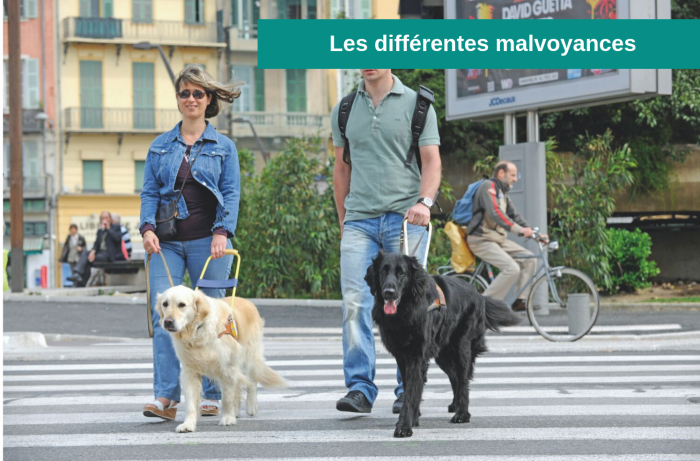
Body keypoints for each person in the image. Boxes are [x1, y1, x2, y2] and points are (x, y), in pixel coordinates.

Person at [331, 69, 441, 415]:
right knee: (354, 303)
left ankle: (406, 387)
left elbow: (431, 160)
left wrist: (424, 202)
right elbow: (341, 168)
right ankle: (360, 389)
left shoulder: (418, 104)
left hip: (405, 219)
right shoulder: (346, 108)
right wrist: (343, 220)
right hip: (359, 222)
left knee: (409, 305)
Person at [139, 64, 241, 420]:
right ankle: (166, 396)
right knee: (165, 318)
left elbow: (231, 193)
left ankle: (212, 394)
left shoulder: (224, 147)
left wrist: (222, 231)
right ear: (178, 99)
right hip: (164, 243)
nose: (191, 99)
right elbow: (150, 192)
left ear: (209, 99)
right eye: (185, 93)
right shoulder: (160, 146)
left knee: (212, 320)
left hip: (208, 243)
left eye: (199, 93)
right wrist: (147, 228)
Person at [466, 161, 546, 311]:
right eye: (513, 175)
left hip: (497, 239)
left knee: (529, 259)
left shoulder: (502, 192)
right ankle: (483, 306)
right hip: (481, 239)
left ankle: (520, 300)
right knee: (512, 268)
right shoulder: (488, 187)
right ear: (501, 173)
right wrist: (519, 230)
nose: (515, 179)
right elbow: (496, 213)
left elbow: (514, 215)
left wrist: (535, 234)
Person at [67, 211, 124, 287]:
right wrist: (93, 251)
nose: (104, 219)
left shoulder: (116, 227)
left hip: (109, 255)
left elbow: (117, 238)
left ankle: (79, 277)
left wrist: (109, 228)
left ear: (110, 219)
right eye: (102, 218)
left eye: (106, 217)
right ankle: (79, 280)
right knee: (87, 255)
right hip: (100, 254)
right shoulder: (100, 231)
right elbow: (96, 244)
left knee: (88, 257)